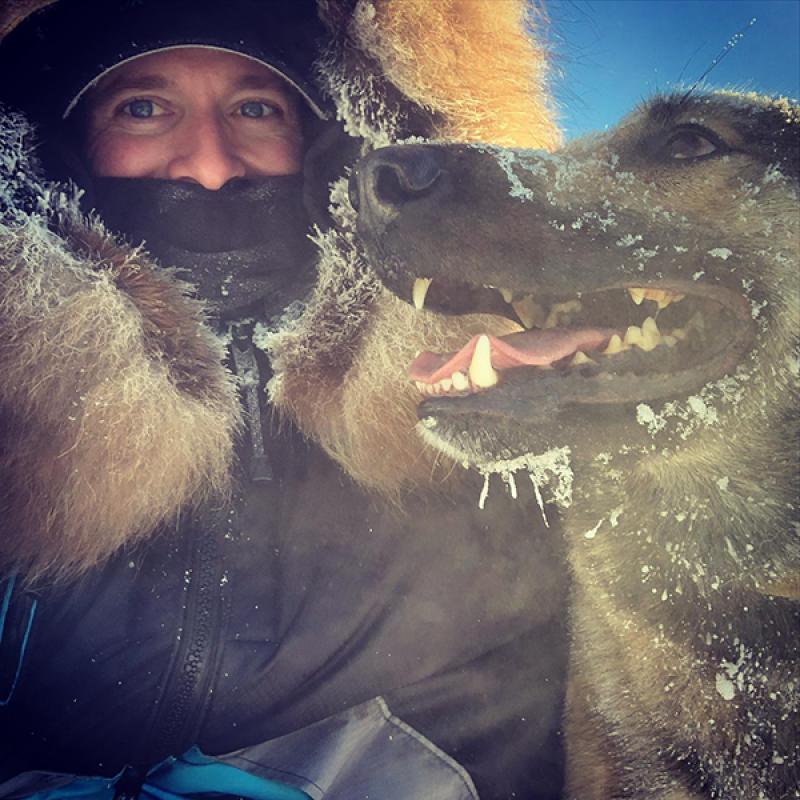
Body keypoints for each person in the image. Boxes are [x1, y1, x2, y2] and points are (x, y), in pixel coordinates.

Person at [0, 1, 567, 798]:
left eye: (255, 107)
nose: (211, 166)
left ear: (330, 141)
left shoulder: (506, 393)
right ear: (47, 144)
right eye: (144, 107)